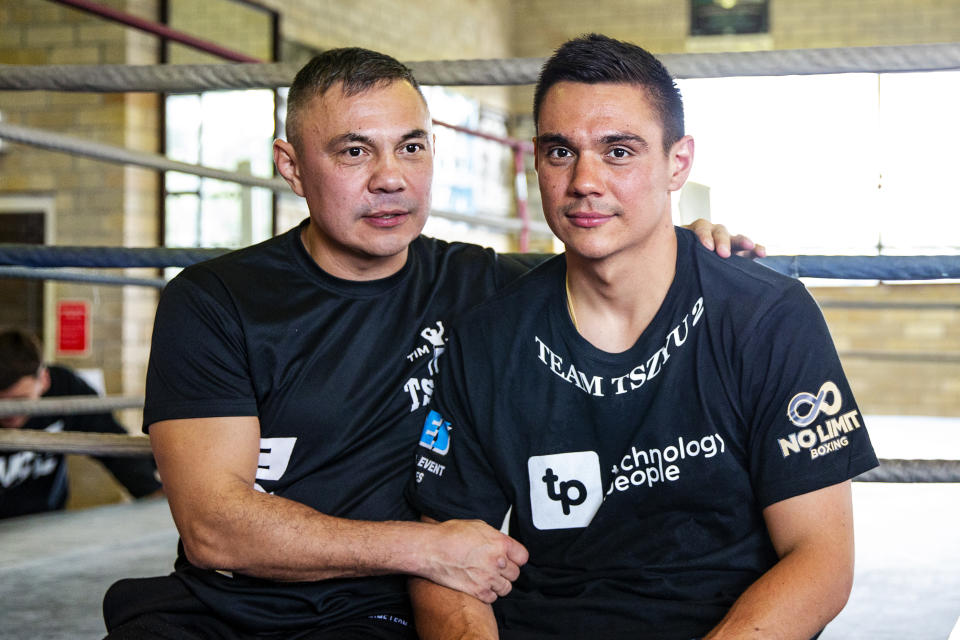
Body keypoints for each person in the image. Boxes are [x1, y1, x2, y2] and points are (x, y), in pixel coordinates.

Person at [102, 47, 763, 639]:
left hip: (375, 614)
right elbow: (214, 528)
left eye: (412, 147)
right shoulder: (215, 299)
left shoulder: (483, 285)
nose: (391, 177)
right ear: (292, 166)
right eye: (354, 151)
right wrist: (426, 548)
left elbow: (621, 266)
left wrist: (688, 242)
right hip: (212, 609)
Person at [406, 34, 878, 640]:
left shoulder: (765, 316)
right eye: (559, 152)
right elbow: (443, 564)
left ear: (677, 163)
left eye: (619, 152)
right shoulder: (487, 337)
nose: (585, 181)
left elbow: (821, 560)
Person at [0, 328, 161, 519]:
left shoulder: (64, 388)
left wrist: (152, 492)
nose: (8, 412)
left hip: (43, 524)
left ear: (43, 380)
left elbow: (109, 441)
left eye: (20, 400)